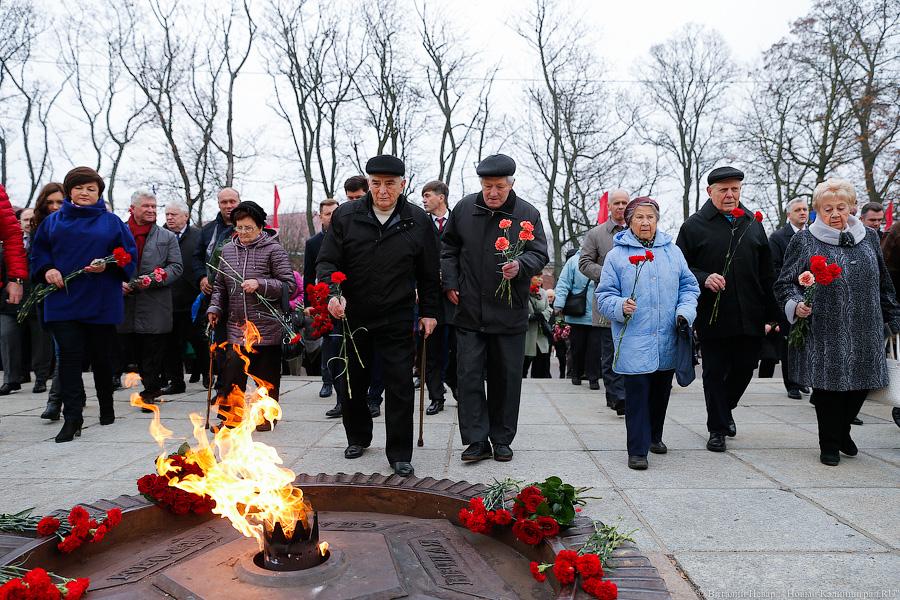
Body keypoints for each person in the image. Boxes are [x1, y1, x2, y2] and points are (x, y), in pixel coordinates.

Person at [317, 155, 440, 477]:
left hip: (398, 314)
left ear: (402, 184)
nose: (382, 191)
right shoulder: (346, 216)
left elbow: (429, 273)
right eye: (376, 184)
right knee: (353, 380)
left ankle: (399, 452)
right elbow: (328, 262)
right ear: (368, 183)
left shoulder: (417, 220)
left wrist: (429, 311)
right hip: (354, 313)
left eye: (389, 184)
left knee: (400, 383)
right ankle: (358, 436)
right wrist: (333, 293)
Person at [774, 178, 900, 466]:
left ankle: (842, 432)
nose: (834, 214)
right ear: (818, 210)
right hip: (825, 327)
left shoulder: (868, 237)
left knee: (862, 384)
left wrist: (894, 318)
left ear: (852, 207)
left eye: (841, 207)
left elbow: (884, 281)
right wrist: (797, 304)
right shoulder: (804, 240)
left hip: (866, 326)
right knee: (829, 388)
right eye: (827, 208)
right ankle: (829, 444)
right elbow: (785, 283)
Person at [441, 154, 549, 463]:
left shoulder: (527, 214)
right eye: (487, 186)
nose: (492, 193)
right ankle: (476, 440)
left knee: (506, 379)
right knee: (469, 377)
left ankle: (502, 439)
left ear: (511, 184)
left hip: (509, 311)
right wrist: (450, 281)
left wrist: (521, 264)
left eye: (499, 187)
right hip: (469, 311)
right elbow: (447, 249)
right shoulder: (463, 209)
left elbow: (539, 252)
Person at [676, 166, 781, 453]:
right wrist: (703, 277)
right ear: (710, 192)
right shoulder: (694, 226)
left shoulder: (752, 223)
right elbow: (680, 268)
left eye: (735, 189)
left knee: (746, 367)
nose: (730, 194)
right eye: (723, 189)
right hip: (713, 315)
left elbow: (766, 272)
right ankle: (717, 428)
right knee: (714, 371)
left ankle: (725, 408)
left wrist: (774, 314)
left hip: (751, 313)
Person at [29, 167, 137, 442]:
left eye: (91, 188)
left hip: (100, 298)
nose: (85, 193)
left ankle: (106, 404)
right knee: (69, 358)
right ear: (69, 191)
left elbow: (127, 256)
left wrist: (109, 265)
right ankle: (72, 418)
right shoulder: (52, 222)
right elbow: (39, 253)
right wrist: (47, 270)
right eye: (79, 188)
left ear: (99, 192)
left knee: (101, 357)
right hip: (62, 299)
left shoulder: (112, 222)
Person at [598, 197, 700, 470]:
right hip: (634, 338)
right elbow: (603, 296)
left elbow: (689, 288)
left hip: (667, 335)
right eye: (639, 217)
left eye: (650, 217)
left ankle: (655, 436)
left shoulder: (672, 252)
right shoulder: (616, 256)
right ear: (629, 221)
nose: (645, 222)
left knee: (660, 391)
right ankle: (637, 449)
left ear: (657, 220)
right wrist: (620, 305)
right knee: (638, 395)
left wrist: (685, 312)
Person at [207, 201, 295, 432]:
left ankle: (266, 416)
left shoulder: (273, 250)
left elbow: (289, 286)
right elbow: (220, 288)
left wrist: (261, 284)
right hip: (237, 327)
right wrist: (214, 309)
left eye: (248, 228)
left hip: (267, 327)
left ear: (260, 227)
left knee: (265, 378)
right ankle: (230, 418)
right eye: (239, 228)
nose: (243, 233)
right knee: (232, 374)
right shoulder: (227, 250)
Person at [118, 190, 182, 409]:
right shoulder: (118, 233)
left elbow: (176, 267)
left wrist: (156, 278)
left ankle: (151, 391)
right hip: (124, 303)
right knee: (128, 348)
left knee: (152, 351)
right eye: (146, 206)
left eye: (154, 207)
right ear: (132, 208)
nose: (152, 210)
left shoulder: (167, 237)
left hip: (154, 303)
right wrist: (117, 283)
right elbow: (107, 262)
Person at [579, 189, 630, 414]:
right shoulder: (596, 234)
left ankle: (620, 395)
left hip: (633, 303)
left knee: (628, 351)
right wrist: (608, 273)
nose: (621, 207)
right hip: (607, 302)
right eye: (617, 203)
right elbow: (584, 263)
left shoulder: (637, 231)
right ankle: (618, 397)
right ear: (609, 206)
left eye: (625, 203)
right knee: (610, 353)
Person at [760, 198, 810, 399]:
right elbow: (773, 268)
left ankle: (803, 379)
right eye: (798, 210)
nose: (802, 213)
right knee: (790, 341)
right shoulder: (779, 237)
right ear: (789, 214)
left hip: (810, 294)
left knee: (806, 341)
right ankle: (791, 383)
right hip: (788, 295)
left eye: (805, 209)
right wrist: (797, 278)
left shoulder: (813, 234)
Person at [421, 180, 457, 415]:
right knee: (430, 349)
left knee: (457, 348)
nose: (424, 200)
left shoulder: (458, 221)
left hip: (455, 296)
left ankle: (458, 387)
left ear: (441, 197)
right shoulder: (420, 223)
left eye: (427, 195)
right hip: (429, 295)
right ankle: (436, 396)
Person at [31, 183, 66, 419]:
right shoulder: (39, 229)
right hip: (48, 294)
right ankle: (71, 394)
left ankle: (55, 401)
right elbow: (35, 260)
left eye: (59, 202)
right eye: (49, 203)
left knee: (64, 351)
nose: (54, 207)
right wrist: (47, 270)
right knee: (61, 349)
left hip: (74, 294)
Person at [303, 198, 340, 413]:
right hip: (321, 297)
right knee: (327, 339)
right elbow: (309, 273)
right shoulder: (313, 243)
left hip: (343, 295)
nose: (332, 217)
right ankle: (327, 380)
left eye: (335, 213)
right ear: (320, 216)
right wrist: (309, 303)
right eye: (328, 214)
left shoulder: (347, 236)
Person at [162, 201, 202, 394]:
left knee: (198, 340)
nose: (169, 218)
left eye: (174, 215)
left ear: (185, 216)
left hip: (192, 299)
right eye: (167, 214)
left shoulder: (197, 236)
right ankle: (176, 381)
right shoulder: (160, 235)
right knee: (171, 344)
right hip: (167, 299)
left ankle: (207, 375)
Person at [555, 248, 601, 388]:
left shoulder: (602, 260)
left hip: (595, 313)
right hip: (580, 313)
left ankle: (591, 377)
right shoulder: (574, 261)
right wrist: (559, 304)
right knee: (578, 347)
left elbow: (563, 283)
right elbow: (564, 284)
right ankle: (578, 374)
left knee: (593, 349)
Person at [523, 276, 552, 378]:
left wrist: (542, 315)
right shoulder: (523, 291)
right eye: (536, 277)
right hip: (528, 332)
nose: (539, 279)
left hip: (541, 332)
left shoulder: (543, 293)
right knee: (524, 362)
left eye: (541, 277)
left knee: (541, 362)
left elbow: (549, 309)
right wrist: (530, 317)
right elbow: (517, 311)